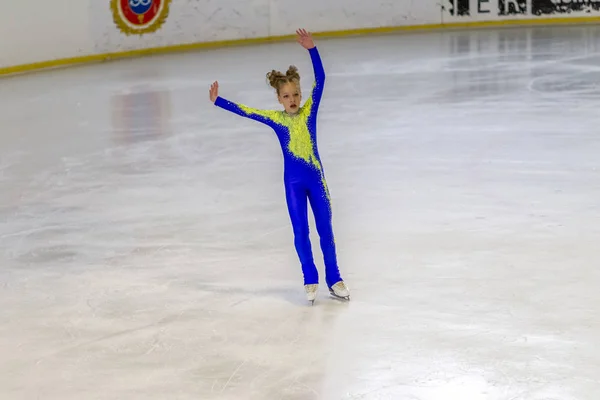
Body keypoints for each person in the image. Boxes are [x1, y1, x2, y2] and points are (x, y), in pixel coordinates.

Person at [208, 29, 349, 303]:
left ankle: (335, 278)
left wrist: (312, 49)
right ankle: (310, 278)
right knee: (301, 232)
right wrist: (218, 101)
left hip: (317, 180)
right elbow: (248, 111)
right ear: (279, 99)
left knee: (326, 231)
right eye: (286, 96)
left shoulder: (309, 112)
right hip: (294, 184)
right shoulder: (276, 119)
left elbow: (321, 80)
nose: (293, 99)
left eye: (296, 94)